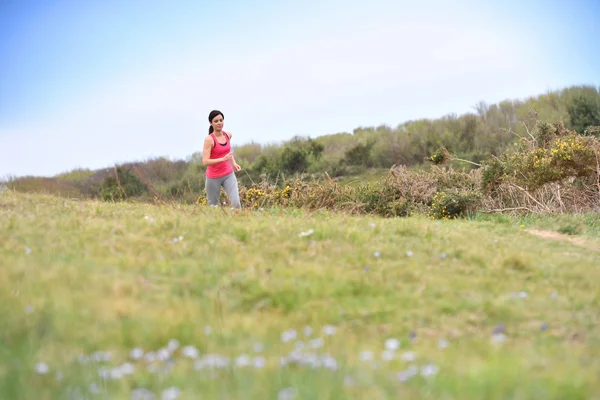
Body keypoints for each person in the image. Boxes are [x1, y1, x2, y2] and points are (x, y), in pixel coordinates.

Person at [202, 110, 242, 209]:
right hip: (213, 177)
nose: (219, 123)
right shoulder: (209, 140)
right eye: (216, 121)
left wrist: (234, 163)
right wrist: (222, 159)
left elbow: (227, 152)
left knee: (236, 204)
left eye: (221, 120)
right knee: (213, 207)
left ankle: (238, 222)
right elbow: (205, 161)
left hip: (228, 174)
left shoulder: (228, 135)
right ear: (211, 123)